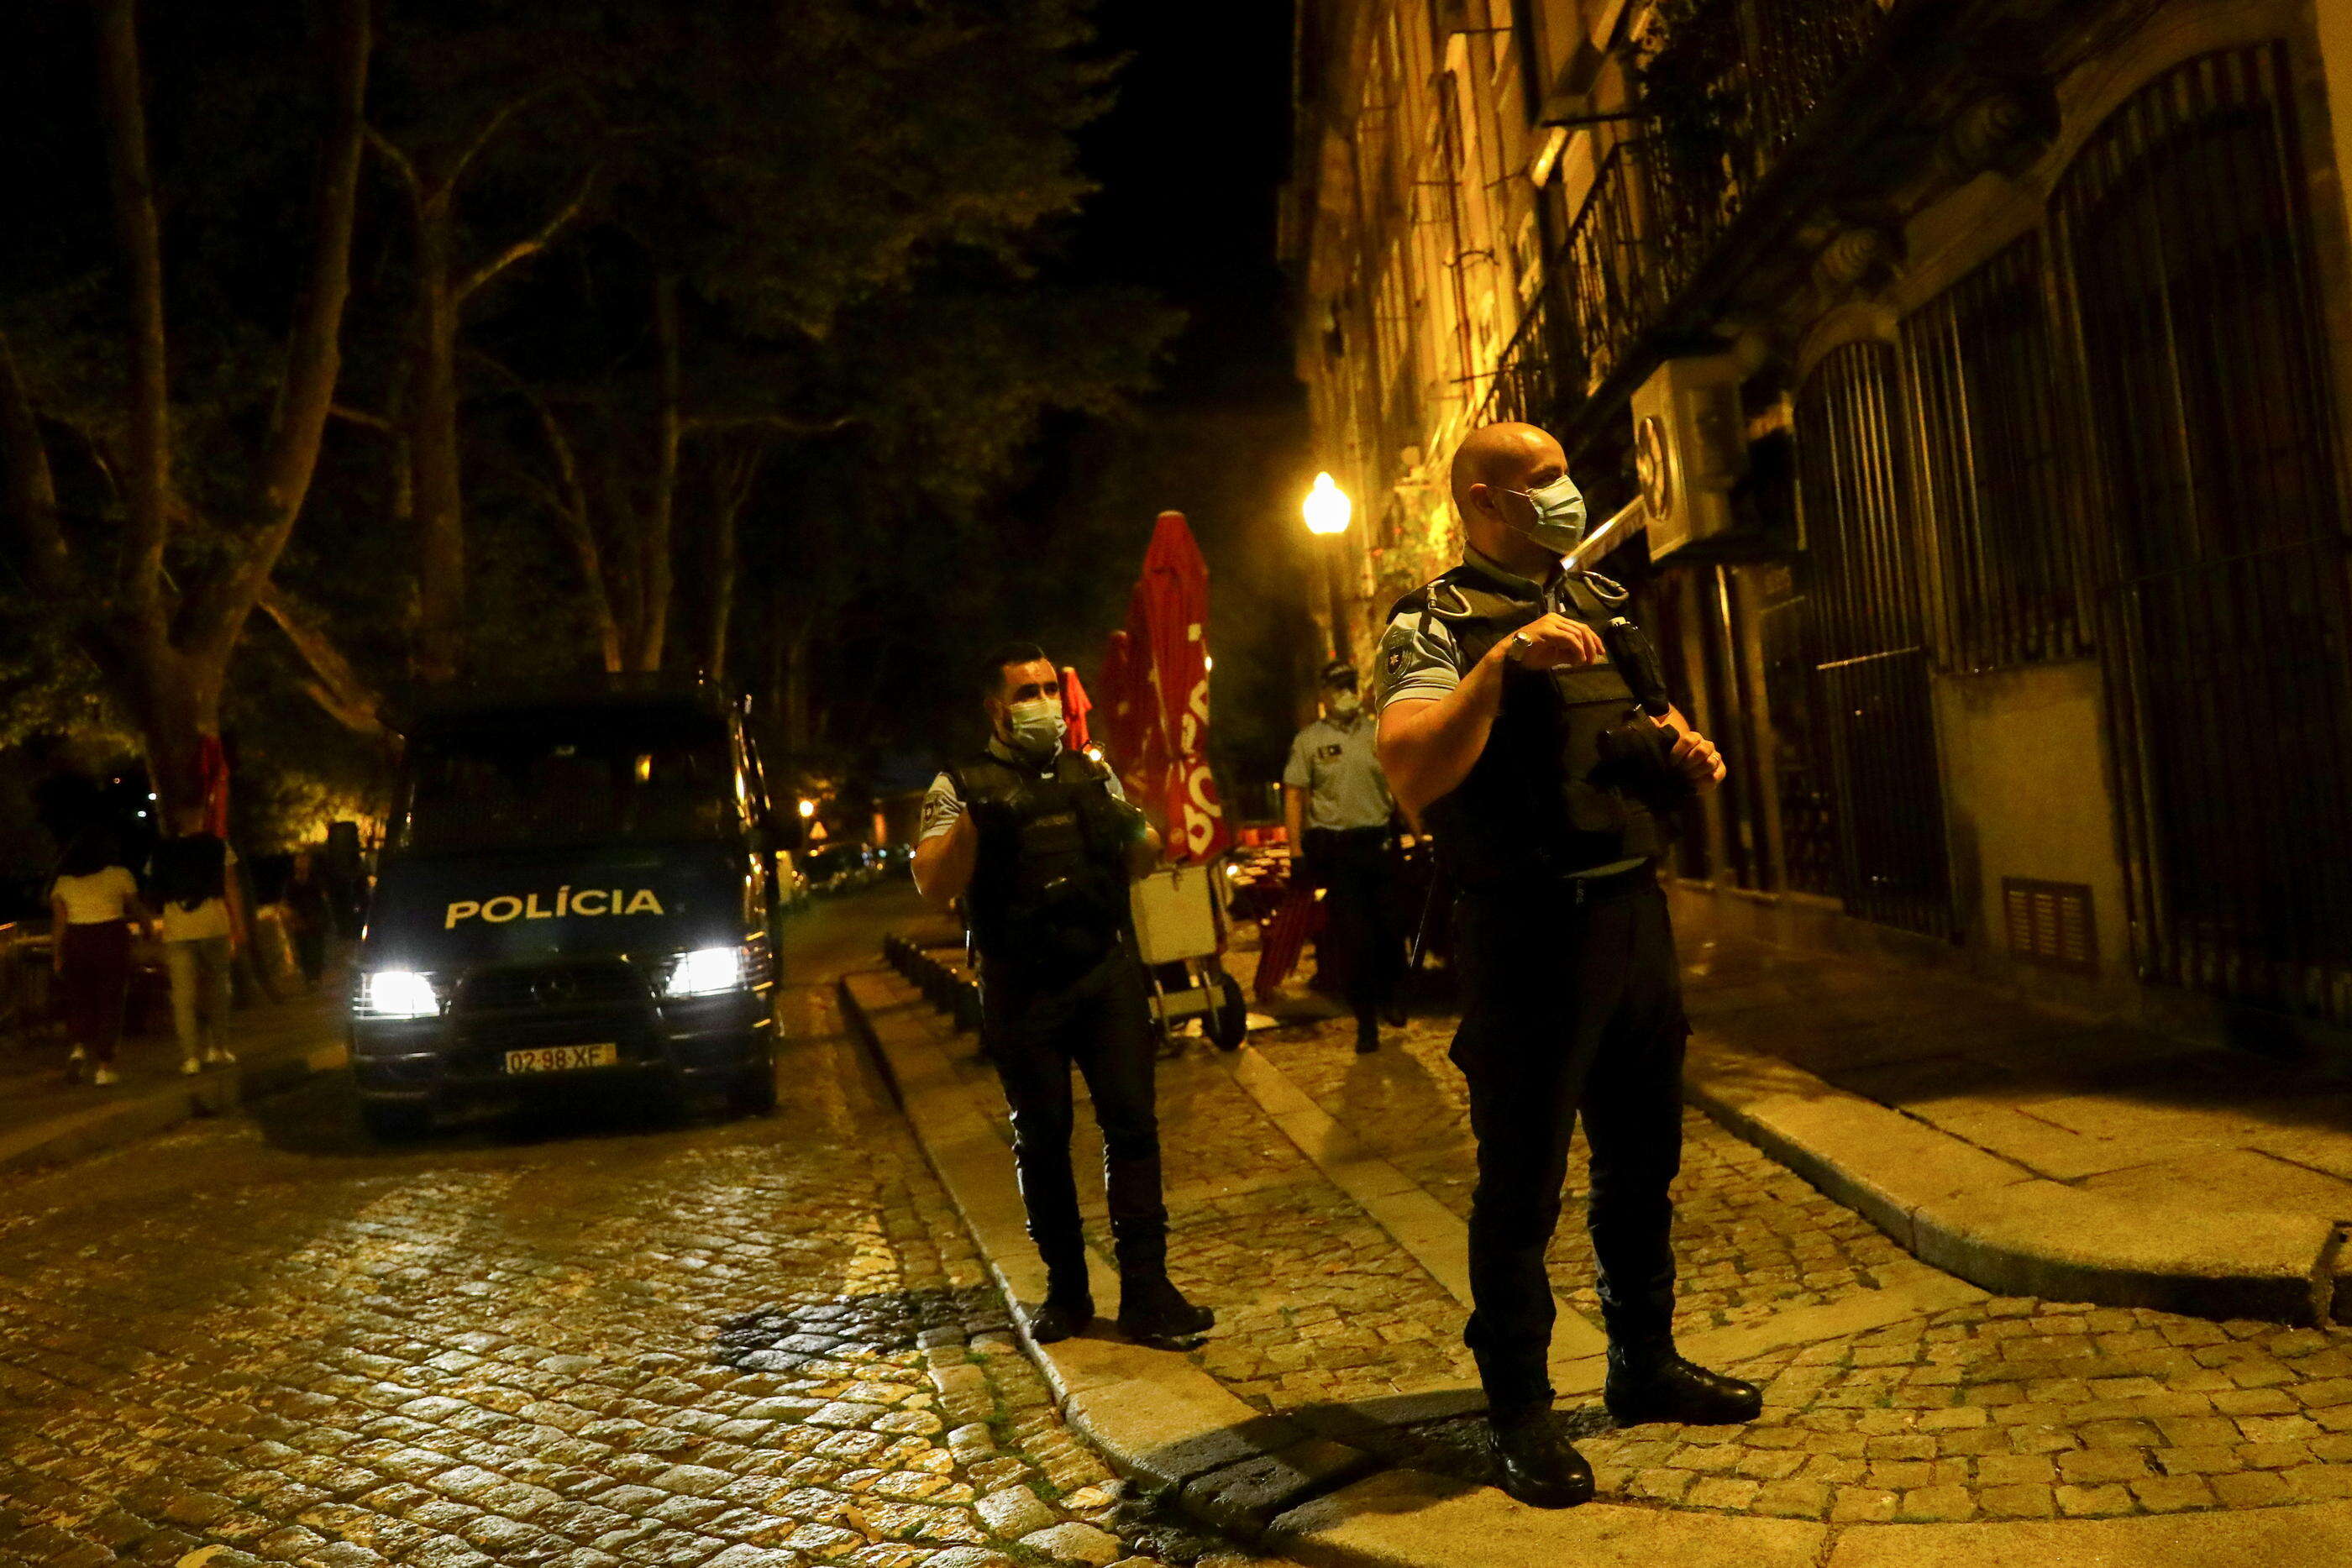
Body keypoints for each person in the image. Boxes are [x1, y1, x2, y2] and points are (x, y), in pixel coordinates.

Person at [1375, 422, 1759, 1508]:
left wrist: (1684, 746)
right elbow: (1411, 767)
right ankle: (1522, 1411)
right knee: (1523, 1183)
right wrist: (1500, 665)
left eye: (1562, 475)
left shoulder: (1602, 601)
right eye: (1542, 479)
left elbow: (1650, 709)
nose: (1565, 491)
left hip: (1632, 911)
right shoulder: (1434, 621)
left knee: (1644, 1160)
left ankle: (1646, 1360)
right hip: (1526, 931)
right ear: (1485, 500)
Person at [912, 642, 1216, 1352]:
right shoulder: (959, 783)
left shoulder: (1091, 771)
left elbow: (1147, 851)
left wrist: (1131, 825)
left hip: (1102, 970)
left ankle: (1147, 1291)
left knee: (1133, 1126)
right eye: (1026, 693)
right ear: (996, 707)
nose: (1043, 703)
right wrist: (977, 825)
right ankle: (1067, 1294)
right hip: (1021, 987)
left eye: (1050, 689)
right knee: (1043, 1139)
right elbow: (932, 881)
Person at [1284, 659, 1406, 1052]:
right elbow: (1294, 795)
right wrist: (1295, 852)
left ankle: (1393, 998)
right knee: (1355, 941)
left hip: (1380, 845)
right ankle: (1365, 1021)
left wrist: (1420, 835)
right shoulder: (1309, 741)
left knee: (1390, 930)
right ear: (1324, 695)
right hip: (1339, 855)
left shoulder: (1376, 733)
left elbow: (1399, 786)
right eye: (1338, 687)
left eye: (1350, 685)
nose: (1347, 693)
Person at [48, 829, 151, 1087]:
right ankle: (104, 1066)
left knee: (79, 999)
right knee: (111, 1000)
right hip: (110, 937)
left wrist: (58, 953)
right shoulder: (119, 876)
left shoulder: (64, 882)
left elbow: (60, 922)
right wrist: (147, 927)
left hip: (77, 938)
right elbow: (136, 908)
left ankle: (78, 1050)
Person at [149, 805, 244, 1075]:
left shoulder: (161, 851)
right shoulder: (218, 847)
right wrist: (238, 926)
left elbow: (154, 889)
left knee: (182, 996)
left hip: (177, 927)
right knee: (218, 989)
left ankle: (190, 1057)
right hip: (213, 924)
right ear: (200, 817)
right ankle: (219, 1048)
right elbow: (230, 887)